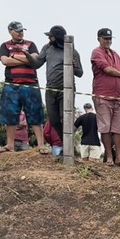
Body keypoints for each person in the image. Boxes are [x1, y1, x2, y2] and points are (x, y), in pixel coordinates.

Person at [28, 25, 83, 154]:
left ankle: (69, 149)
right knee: (53, 120)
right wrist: (26, 55)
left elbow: (80, 73)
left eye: (51, 36)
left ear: (57, 37)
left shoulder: (72, 51)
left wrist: (74, 67)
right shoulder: (47, 48)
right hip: (50, 89)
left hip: (66, 90)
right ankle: (67, 145)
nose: (49, 38)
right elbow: (37, 64)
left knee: (66, 118)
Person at [0, 21, 44, 153]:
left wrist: (15, 56)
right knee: (10, 114)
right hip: (12, 84)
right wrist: (24, 58)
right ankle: (10, 144)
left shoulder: (31, 44)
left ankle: (41, 145)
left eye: (22, 30)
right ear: (10, 31)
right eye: (17, 31)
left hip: (31, 83)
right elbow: (5, 61)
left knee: (36, 113)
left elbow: (34, 60)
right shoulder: (5, 45)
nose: (20, 33)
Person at [90, 28, 120, 166]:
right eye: (105, 38)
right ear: (99, 39)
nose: (108, 41)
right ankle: (109, 157)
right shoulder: (96, 52)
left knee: (117, 129)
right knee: (105, 127)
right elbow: (107, 69)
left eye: (110, 38)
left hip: (117, 96)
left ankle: (119, 158)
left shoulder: (115, 54)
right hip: (102, 95)